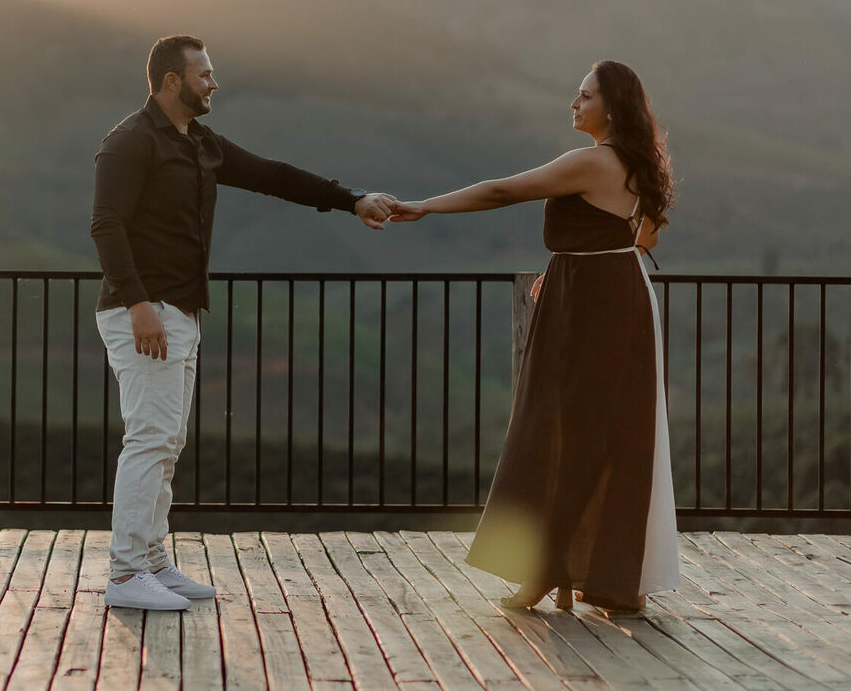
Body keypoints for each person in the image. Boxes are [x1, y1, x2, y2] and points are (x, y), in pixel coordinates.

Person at [91, 35, 400, 611]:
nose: (214, 83)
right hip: (144, 312)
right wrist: (137, 306)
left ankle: (152, 560)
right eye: (204, 74)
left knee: (169, 441)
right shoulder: (129, 142)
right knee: (149, 438)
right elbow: (106, 225)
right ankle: (127, 573)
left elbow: (275, 175)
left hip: (180, 310)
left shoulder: (201, 142)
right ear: (171, 82)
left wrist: (352, 197)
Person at [388, 60, 679, 613]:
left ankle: (548, 571)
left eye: (584, 95)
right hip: (613, 292)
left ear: (610, 108)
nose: (574, 103)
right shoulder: (639, 163)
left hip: (594, 302)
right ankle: (602, 577)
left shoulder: (594, 161)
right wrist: (577, 263)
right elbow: (642, 234)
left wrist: (425, 206)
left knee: (559, 428)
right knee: (608, 432)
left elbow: (502, 192)